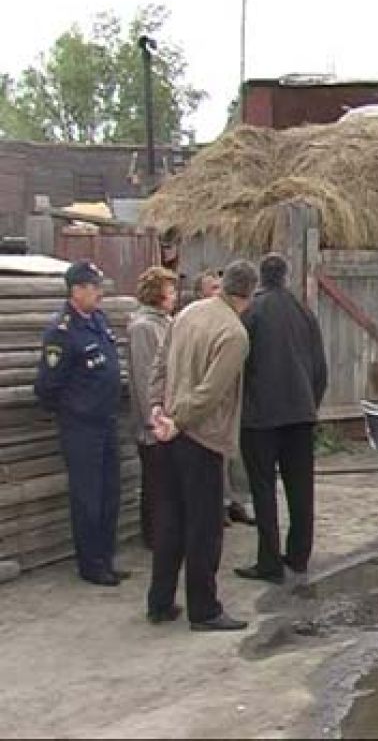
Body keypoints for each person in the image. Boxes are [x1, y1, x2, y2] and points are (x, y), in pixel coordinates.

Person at [146, 259, 258, 631]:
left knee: (169, 522)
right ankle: (204, 610)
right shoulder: (235, 334)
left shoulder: (189, 312)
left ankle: (160, 602)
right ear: (250, 294)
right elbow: (212, 392)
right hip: (201, 437)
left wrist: (157, 407)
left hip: (168, 432)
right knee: (204, 529)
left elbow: (160, 363)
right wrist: (177, 420)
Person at [235, 253, 327, 585]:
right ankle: (299, 556)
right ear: (286, 276)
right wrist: (310, 405)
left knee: (263, 491)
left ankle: (269, 562)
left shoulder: (252, 313)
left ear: (261, 278)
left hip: (261, 418)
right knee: (301, 489)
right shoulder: (304, 313)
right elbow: (320, 369)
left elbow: (239, 365)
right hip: (300, 415)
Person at [34, 260, 125, 586]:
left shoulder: (97, 320)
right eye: (93, 287)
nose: (99, 293)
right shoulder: (61, 332)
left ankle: (106, 556)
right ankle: (91, 564)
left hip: (107, 421)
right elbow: (47, 386)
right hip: (82, 427)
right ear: (77, 290)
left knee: (110, 492)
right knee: (88, 496)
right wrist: (75, 410)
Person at [190, 268, 256, 528]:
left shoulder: (234, 324)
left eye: (218, 286)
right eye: (211, 287)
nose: (216, 291)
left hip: (222, 413)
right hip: (201, 418)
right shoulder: (207, 325)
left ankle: (233, 503)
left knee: (232, 466)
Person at [127, 266, 178, 551]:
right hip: (154, 422)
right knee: (155, 482)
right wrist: (153, 418)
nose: (174, 297)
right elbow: (146, 375)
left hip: (168, 417)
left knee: (166, 481)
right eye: (170, 291)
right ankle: (154, 536)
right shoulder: (144, 327)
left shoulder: (166, 322)